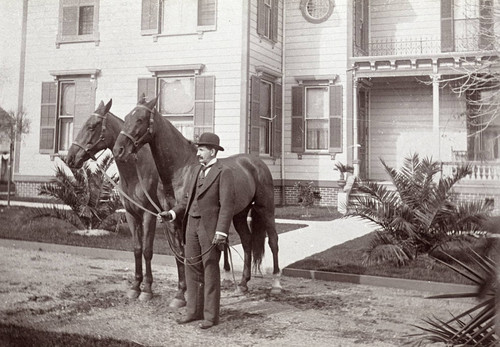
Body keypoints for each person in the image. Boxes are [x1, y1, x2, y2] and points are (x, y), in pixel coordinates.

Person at [159, 132, 235, 329]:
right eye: (198, 149)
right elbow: (186, 201)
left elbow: (227, 206)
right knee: (191, 267)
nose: (198, 153)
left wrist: (222, 232)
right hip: (191, 226)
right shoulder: (194, 171)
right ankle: (193, 311)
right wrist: (172, 214)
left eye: (201, 150)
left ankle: (210, 316)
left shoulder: (223, 172)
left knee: (210, 269)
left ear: (212, 151)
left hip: (210, 229)